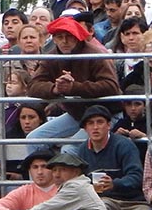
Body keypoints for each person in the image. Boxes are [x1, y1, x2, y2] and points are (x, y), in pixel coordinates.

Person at [26, 16, 120, 152]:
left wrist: (74, 87)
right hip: (77, 114)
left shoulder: (94, 55)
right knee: (33, 140)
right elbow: (33, 86)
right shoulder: (51, 57)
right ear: (54, 39)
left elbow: (111, 86)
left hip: (106, 114)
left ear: (77, 36)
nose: (64, 41)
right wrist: (55, 89)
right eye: (59, 37)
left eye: (69, 36)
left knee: (69, 149)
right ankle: (45, 172)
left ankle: (69, 171)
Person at [72, 105, 151, 210]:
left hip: (134, 202)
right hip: (104, 201)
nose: (95, 127)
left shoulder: (124, 145)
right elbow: (79, 181)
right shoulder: (82, 150)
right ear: (85, 128)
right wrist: (90, 188)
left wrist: (114, 184)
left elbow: (137, 176)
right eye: (90, 123)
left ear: (108, 125)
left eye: (100, 122)